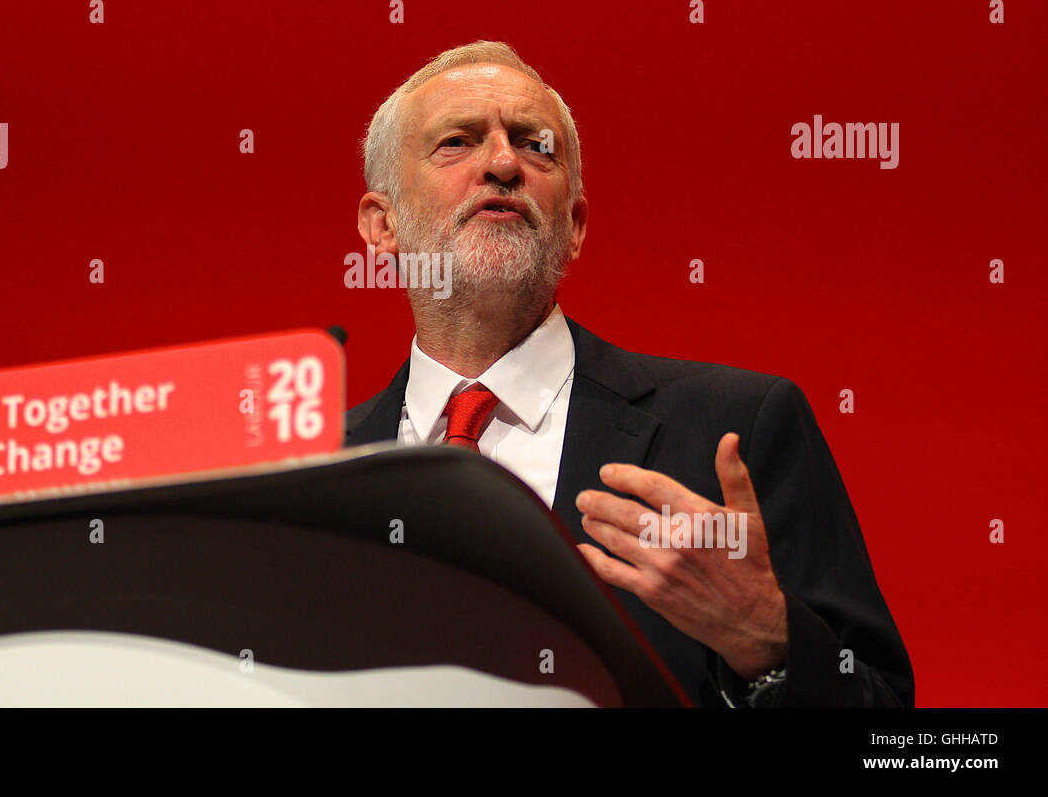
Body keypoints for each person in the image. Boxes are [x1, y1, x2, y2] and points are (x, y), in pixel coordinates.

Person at [344, 40, 913, 707]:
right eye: (457, 143)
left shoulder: (739, 429)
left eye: (536, 146)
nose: (503, 163)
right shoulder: (308, 469)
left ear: (575, 224)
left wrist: (768, 644)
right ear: (381, 227)